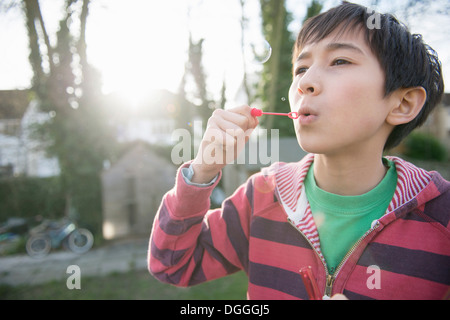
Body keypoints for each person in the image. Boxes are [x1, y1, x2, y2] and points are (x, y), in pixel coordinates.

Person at [148, 2, 449, 300]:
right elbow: (172, 265)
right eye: (301, 68)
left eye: (340, 61)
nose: (304, 82)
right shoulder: (262, 197)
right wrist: (202, 171)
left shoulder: (441, 215)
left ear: (403, 103)